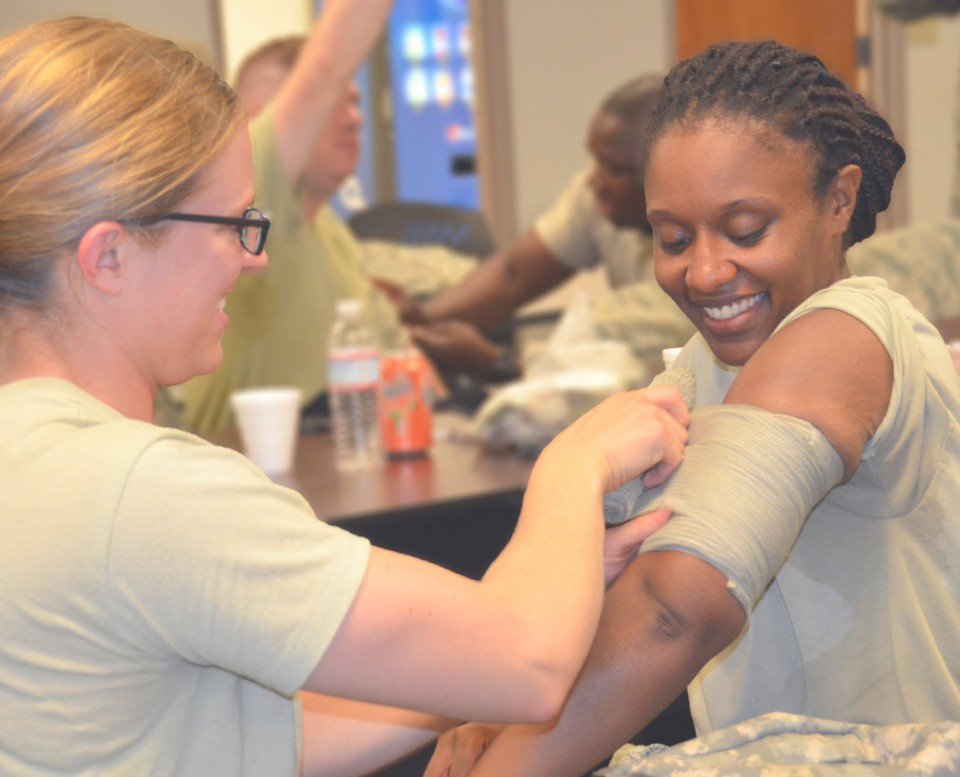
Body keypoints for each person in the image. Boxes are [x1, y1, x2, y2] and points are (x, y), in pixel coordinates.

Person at [0, 15, 694, 776]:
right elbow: (529, 664)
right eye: (232, 224)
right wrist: (572, 464)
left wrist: (540, 589)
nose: (251, 258)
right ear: (109, 255)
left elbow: (239, 738)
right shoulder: (139, 491)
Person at [426, 39, 960, 776]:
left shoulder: (850, 333)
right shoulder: (703, 368)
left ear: (838, 200)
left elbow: (675, 607)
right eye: (673, 238)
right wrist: (494, 707)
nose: (704, 270)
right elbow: (602, 577)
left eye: (746, 231)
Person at [181, 4, 401, 435]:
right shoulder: (252, 202)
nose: (355, 119)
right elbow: (324, 69)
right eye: (336, 105)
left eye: (357, 103)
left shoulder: (330, 229)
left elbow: (399, 362)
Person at [382, 74, 695, 375]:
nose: (595, 181)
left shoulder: (698, 262)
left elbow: (611, 369)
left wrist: (497, 364)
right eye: (596, 160)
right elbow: (513, 274)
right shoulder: (602, 199)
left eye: (614, 168)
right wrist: (420, 321)